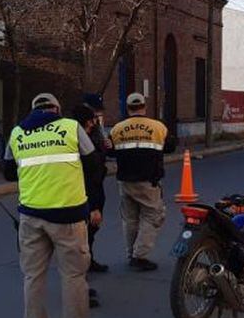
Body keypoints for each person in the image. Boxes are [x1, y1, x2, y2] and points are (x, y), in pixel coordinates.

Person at [4, 92, 97, 318]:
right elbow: (93, 165)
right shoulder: (71, 127)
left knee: (32, 277)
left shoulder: (17, 133)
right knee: (73, 276)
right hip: (69, 216)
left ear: (33, 109)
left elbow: (9, 172)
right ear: (56, 109)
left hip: (31, 216)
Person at [109, 92, 177, 271]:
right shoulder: (157, 127)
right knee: (153, 216)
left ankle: (131, 253)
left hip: (125, 181)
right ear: (144, 107)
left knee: (130, 219)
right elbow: (170, 146)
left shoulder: (117, 129)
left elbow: (109, 151)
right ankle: (139, 256)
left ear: (128, 108)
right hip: (148, 181)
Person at [70, 102, 108, 277]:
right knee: (82, 237)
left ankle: (88, 261)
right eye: (92, 120)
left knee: (90, 234)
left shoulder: (93, 136)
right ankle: (81, 276)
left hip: (93, 190)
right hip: (86, 193)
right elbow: (89, 175)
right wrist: (93, 207)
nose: (94, 123)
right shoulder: (79, 140)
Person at [80, 93, 111, 273]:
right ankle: (83, 263)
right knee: (87, 223)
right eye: (95, 111)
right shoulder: (79, 127)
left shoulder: (96, 126)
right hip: (88, 179)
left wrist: (106, 145)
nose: (96, 117)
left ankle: (89, 258)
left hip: (97, 177)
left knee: (93, 225)